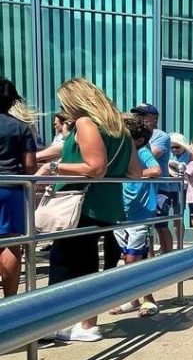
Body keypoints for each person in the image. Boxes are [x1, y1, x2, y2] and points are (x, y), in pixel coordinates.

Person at [36, 78, 142, 341]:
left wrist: (54, 167)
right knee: (88, 265)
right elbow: (135, 172)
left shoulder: (85, 122)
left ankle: (54, 324)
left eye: (64, 103)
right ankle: (86, 325)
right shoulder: (119, 129)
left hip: (81, 204)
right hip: (107, 206)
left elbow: (95, 168)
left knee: (64, 263)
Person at [108, 115, 160, 317]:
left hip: (141, 214)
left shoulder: (143, 151)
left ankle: (147, 299)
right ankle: (136, 299)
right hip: (121, 213)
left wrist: (134, 174)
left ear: (137, 140)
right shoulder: (120, 152)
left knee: (133, 259)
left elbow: (155, 169)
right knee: (128, 258)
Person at [0, 78, 38, 296]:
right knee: (11, 246)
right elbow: (30, 166)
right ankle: (10, 301)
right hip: (12, 188)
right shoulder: (21, 127)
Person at [130, 102, 175, 256]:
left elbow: (153, 154)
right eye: (137, 115)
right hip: (140, 187)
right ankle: (149, 258)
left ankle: (169, 258)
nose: (138, 118)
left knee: (161, 225)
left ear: (154, 118)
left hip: (159, 188)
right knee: (143, 226)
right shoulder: (134, 135)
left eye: (143, 115)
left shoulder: (161, 136)